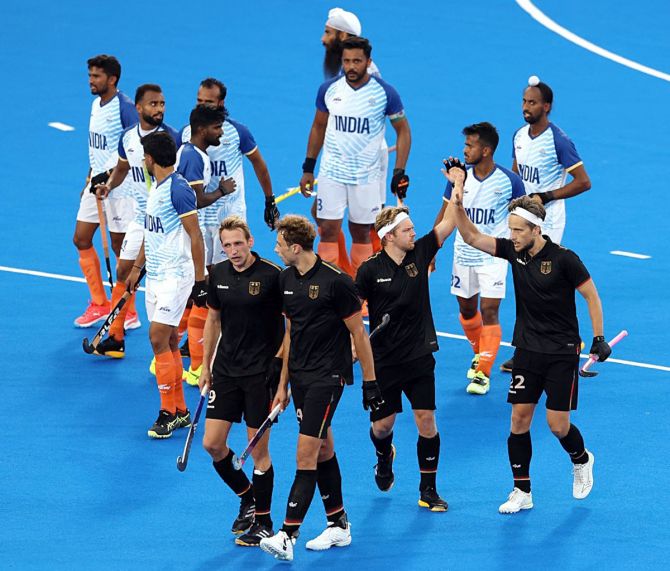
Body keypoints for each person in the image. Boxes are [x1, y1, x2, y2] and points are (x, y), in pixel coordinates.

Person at [446, 160, 611, 514]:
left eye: (519, 230)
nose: (513, 235)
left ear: (537, 229)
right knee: (518, 421)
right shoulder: (512, 251)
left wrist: (598, 337)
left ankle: (581, 460)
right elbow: (472, 236)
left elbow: (591, 296)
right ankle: (522, 491)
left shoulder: (565, 259)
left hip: (562, 351)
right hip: (527, 349)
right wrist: (457, 200)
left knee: (556, 425)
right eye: (511, 229)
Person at [259, 215, 384, 562]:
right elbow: (290, 334)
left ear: (295, 247)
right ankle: (338, 524)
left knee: (305, 453)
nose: (276, 249)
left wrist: (371, 383)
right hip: (298, 377)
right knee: (324, 448)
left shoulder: (337, 283)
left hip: (327, 378)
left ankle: (287, 535)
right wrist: (282, 386)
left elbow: (359, 334)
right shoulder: (285, 279)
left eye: (280, 244)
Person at [356, 200, 456, 512]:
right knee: (383, 427)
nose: (414, 232)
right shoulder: (369, 270)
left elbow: (449, 222)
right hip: (384, 360)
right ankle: (384, 457)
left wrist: (457, 185)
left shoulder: (420, 253)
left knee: (426, 420)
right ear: (388, 236)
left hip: (420, 355)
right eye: (407, 229)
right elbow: (349, 312)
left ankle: (428, 489)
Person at [198, 216, 284, 547]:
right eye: (227, 245)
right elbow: (213, 320)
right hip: (226, 372)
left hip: (260, 376)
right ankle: (248, 497)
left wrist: (282, 379)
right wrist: (205, 365)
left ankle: (264, 522)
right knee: (213, 444)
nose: (233, 251)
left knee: (258, 452)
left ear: (250, 241)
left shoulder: (272, 276)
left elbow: (290, 328)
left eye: (238, 243)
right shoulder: (218, 274)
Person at [299, 36, 411, 278]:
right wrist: (308, 167)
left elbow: (403, 131)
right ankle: (327, 286)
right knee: (327, 229)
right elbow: (318, 126)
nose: (351, 66)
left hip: (366, 177)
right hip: (332, 174)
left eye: (357, 61)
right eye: (347, 61)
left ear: (368, 61)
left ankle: (361, 293)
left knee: (361, 232)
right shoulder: (329, 89)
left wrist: (399, 171)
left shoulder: (385, 93)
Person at [501, 76, 591, 373]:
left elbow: (583, 182)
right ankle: (527, 347)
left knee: (549, 284)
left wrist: (546, 196)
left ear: (547, 106)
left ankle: (566, 341)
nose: (526, 107)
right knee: (524, 284)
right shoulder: (518, 136)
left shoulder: (558, 141)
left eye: (533, 102)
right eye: (525, 101)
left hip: (547, 224)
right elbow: (515, 176)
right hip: (520, 222)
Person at [433, 123, 525, 394]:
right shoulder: (458, 179)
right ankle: (480, 352)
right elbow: (445, 214)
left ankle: (483, 373)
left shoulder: (510, 181)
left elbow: (521, 217)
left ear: (486, 150)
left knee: (489, 311)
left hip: (494, 256)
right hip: (463, 255)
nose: (465, 151)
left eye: (469, 146)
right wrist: (432, 249)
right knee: (467, 310)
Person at [126, 131, 206, 439]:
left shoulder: (178, 189)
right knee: (170, 341)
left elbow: (195, 236)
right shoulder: (155, 189)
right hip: (156, 277)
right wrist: (137, 268)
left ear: (148, 158)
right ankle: (181, 411)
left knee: (157, 337)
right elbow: (151, 233)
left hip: (176, 275)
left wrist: (200, 281)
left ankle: (167, 412)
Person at [93, 84, 180, 357]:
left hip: (163, 221)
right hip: (139, 218)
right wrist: (108, 185)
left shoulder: (171, 139)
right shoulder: (128, 138)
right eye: (154, 104)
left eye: (162, 104)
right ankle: (116, 338)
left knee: (173, 284)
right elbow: (121, 169)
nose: (160, 109)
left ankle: (191, 343)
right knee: (123, 272)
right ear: (138, 108)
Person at [319, 8, 386, 271]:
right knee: (325, 218)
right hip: (340, 162)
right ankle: (345, 274)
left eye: (327, 32)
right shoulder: (343, 69)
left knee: (369, 225)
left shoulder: (367, 75)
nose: (323, 39)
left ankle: (371, 282)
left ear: (342, 35)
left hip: (364, 162)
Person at [73, 54, 137, 327]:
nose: (91, 81)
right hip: (95, 184)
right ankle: (99, 304)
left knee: (120, 247)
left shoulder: (125, 109)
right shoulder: (95, 104)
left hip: (121, 189)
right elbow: (96, 147)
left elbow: (135, 150)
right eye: (90, 76)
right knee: (81, 238)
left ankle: (127, 311)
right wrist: (89, 178)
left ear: (112, 79)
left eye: (96, 76)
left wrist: (110, 180)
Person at [176, 104, 237, 387]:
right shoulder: (192, 157)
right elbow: (197, 199)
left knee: (194, 296)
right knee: (200, 295)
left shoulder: (193, 153)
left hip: (186, 234)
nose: (221, 133)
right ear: (202, 130)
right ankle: (197, 366)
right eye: (216, 128)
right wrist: (223, 190)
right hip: (185, 237)